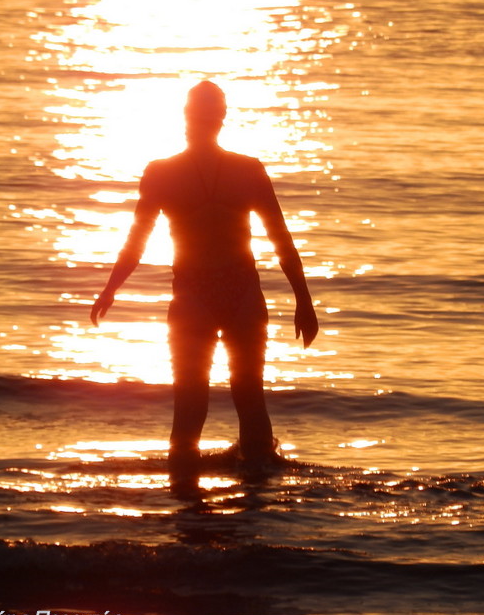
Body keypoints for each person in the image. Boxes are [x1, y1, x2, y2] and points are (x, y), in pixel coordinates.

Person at [90, 81, 319, 487]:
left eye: (211, 113)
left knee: (241, 397)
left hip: (237, 294)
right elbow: (137, 239)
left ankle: (223, 505)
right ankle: (225, 502)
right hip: (199, 296)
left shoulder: (246, 170)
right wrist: (111, 288)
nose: (207, 120)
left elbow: (281, 238)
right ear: (197, 117)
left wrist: (305, 301)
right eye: (205, 112)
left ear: (214, 118)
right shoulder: (165, 172)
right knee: (198, 401)